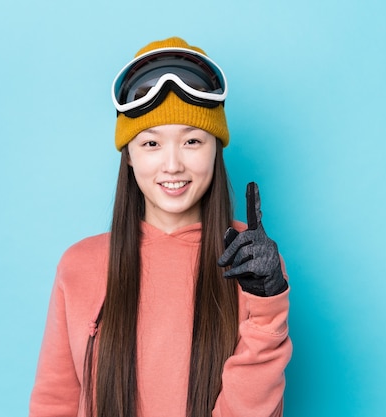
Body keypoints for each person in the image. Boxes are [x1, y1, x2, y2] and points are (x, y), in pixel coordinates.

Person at [28, 37, 292, 417]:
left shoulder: (250, 261)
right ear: (129, 156)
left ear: (215, 150)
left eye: (192, 141)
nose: (172, 165)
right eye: (151, 143)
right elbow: (55, 402)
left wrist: (268, 306)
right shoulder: (79, 266)